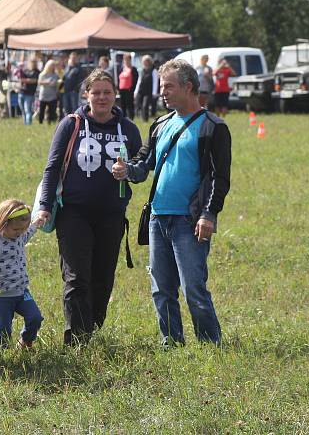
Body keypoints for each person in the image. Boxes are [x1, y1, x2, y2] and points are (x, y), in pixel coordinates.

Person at [112, 59, 231, 346]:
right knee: (161, 288)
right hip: (157, 217)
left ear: (189, 87)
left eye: (168, 86)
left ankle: (210, 343)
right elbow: (144, 164)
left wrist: (208, 214)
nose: (162, 92)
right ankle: (171, 343)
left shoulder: (213, 127)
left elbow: (219, 178)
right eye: (161, 86)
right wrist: (127, 170)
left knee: (193, 288)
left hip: (189, 221)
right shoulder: (160, 124)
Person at [36, 68, 142, 345]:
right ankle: (77, 339)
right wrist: (45, 205)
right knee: (76, 277)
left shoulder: (128, 129)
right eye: (96, 92)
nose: (102, 97)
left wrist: (128, 170)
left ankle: (92, 328)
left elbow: (141, 169)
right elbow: (52, 168)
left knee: (103, 278)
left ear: (115, 95)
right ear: (86, 95)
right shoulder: (71, 124)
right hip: (74, 212)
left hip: (111, 214)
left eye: (108, 92)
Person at [0, 199, 44, 349]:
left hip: (22, 292)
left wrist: (36, 223)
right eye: (16, 230)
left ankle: (25, 341)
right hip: (2, 295)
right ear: (2, 223)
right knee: (3, 329)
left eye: (23, 229)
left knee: (35, 318)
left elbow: (29, 231)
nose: (20, 233)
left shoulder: (20, 236)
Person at [134, 55, 158, 122]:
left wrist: (154, 93)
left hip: (149, 91)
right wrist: (135, 92)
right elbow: (139, 81)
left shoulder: (154, 71)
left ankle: (146, 120)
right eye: (144, 61)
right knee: (140, 104)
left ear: (150, 62)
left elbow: (155, 82)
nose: (145, 63)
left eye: (147, 61)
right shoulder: (142, 70)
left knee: (145, 105)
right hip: (141, 90)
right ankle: (142, 118)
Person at [37, 59, 59, 124]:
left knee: (51, 110)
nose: (53, 67)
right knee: (42, 110)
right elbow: (39, 82)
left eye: (54, 65)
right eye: (52, 65)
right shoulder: (42, 74)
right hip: (43, 95)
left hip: (52, 95)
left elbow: (56, 83)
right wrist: (48, 82)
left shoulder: (55, 75)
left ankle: (50, 122)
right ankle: (40, 122)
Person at [19, 58, 39, 125]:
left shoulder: (37, 72)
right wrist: (27, 80)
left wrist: (25, 80)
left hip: (30, 94)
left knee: (28, 110)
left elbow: (34, 80)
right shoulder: (25, 70)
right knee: (23, 110)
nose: (32, 64)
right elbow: (21, 79)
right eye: (31, 62)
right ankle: (25, 123)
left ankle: (28, 124)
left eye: (34, 62)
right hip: (21, 92)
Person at [118, 54, 139, 119]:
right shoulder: (122, 69)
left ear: (130, 60)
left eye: (127, 60)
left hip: (129, 90)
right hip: (122, 90)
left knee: (129, 105)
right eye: (125, 60)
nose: (126, 61)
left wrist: (132, 89)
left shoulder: (133, 69)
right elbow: (119, 79)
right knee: (122, 105)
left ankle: (131, 118)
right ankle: (123, 118)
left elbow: (135, 79)